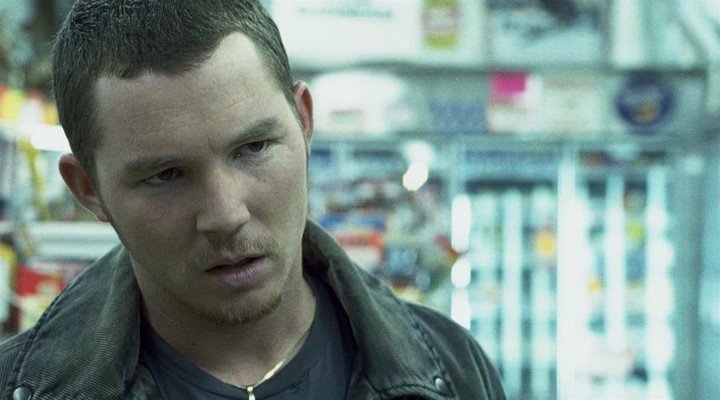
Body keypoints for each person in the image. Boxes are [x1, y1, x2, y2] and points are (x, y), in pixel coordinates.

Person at [0, 1, 505, 399]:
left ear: (303, 122)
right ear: (88, 189)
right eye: (165, 175)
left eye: (254, 149)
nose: (226, 215)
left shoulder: (454, 371)